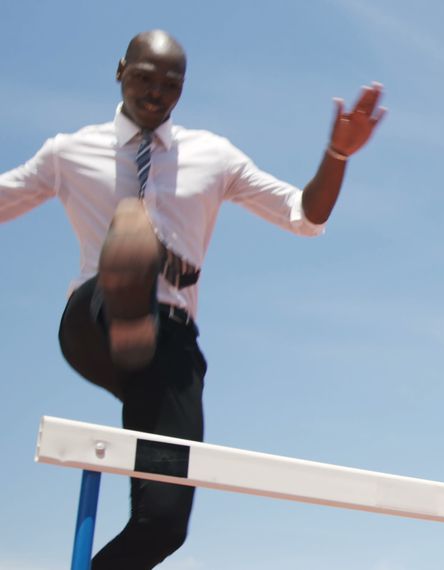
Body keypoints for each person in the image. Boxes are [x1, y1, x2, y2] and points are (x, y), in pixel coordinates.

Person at [0, 30, 385, 568]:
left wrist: (337, 154)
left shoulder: (213, 156)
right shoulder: (69, 152)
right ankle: (134, 304)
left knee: (162, 525)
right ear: (119, 72)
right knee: (132, 241)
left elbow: (304, 215)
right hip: (94, 320)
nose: (155, 94)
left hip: (169, 348)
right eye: (143, 79)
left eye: (170, 86)